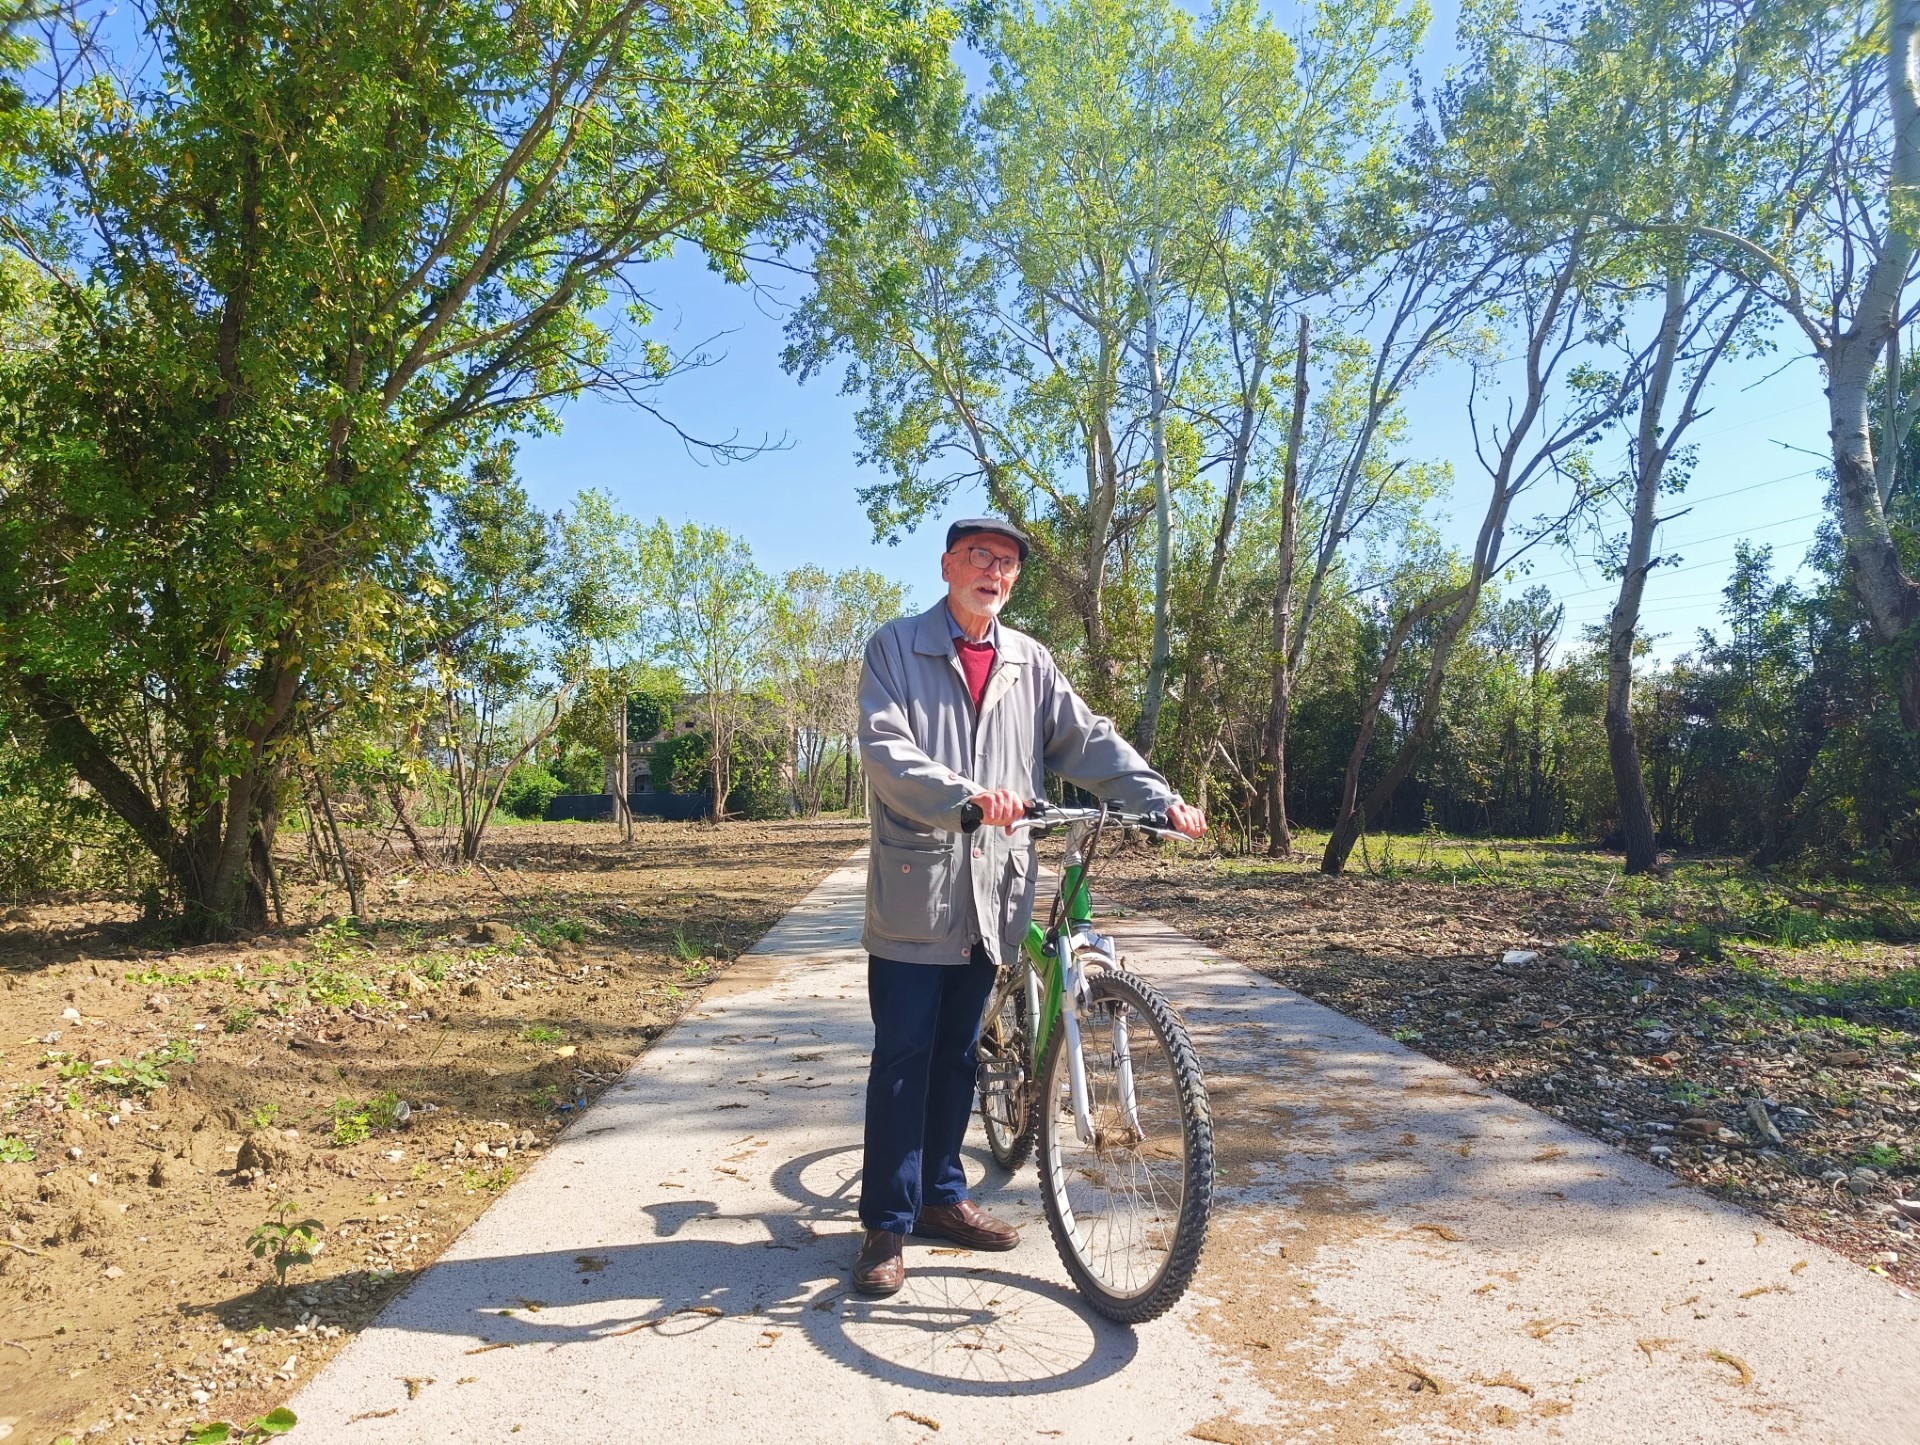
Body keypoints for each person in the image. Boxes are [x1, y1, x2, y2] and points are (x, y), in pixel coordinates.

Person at [851, 516, 1205, 1296]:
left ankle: (941, 1194)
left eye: (1006, 562)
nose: (994, 570)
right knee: (905, 1056)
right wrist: (967, 796)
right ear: (948, 564)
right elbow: (885, 749)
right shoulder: (896, 647)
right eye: (979, 555)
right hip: (918, 888)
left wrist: (1157, 796)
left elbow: (1087, 738)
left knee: (958, 1052)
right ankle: (886, 1222)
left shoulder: (1029, 660)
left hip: (995, 891)